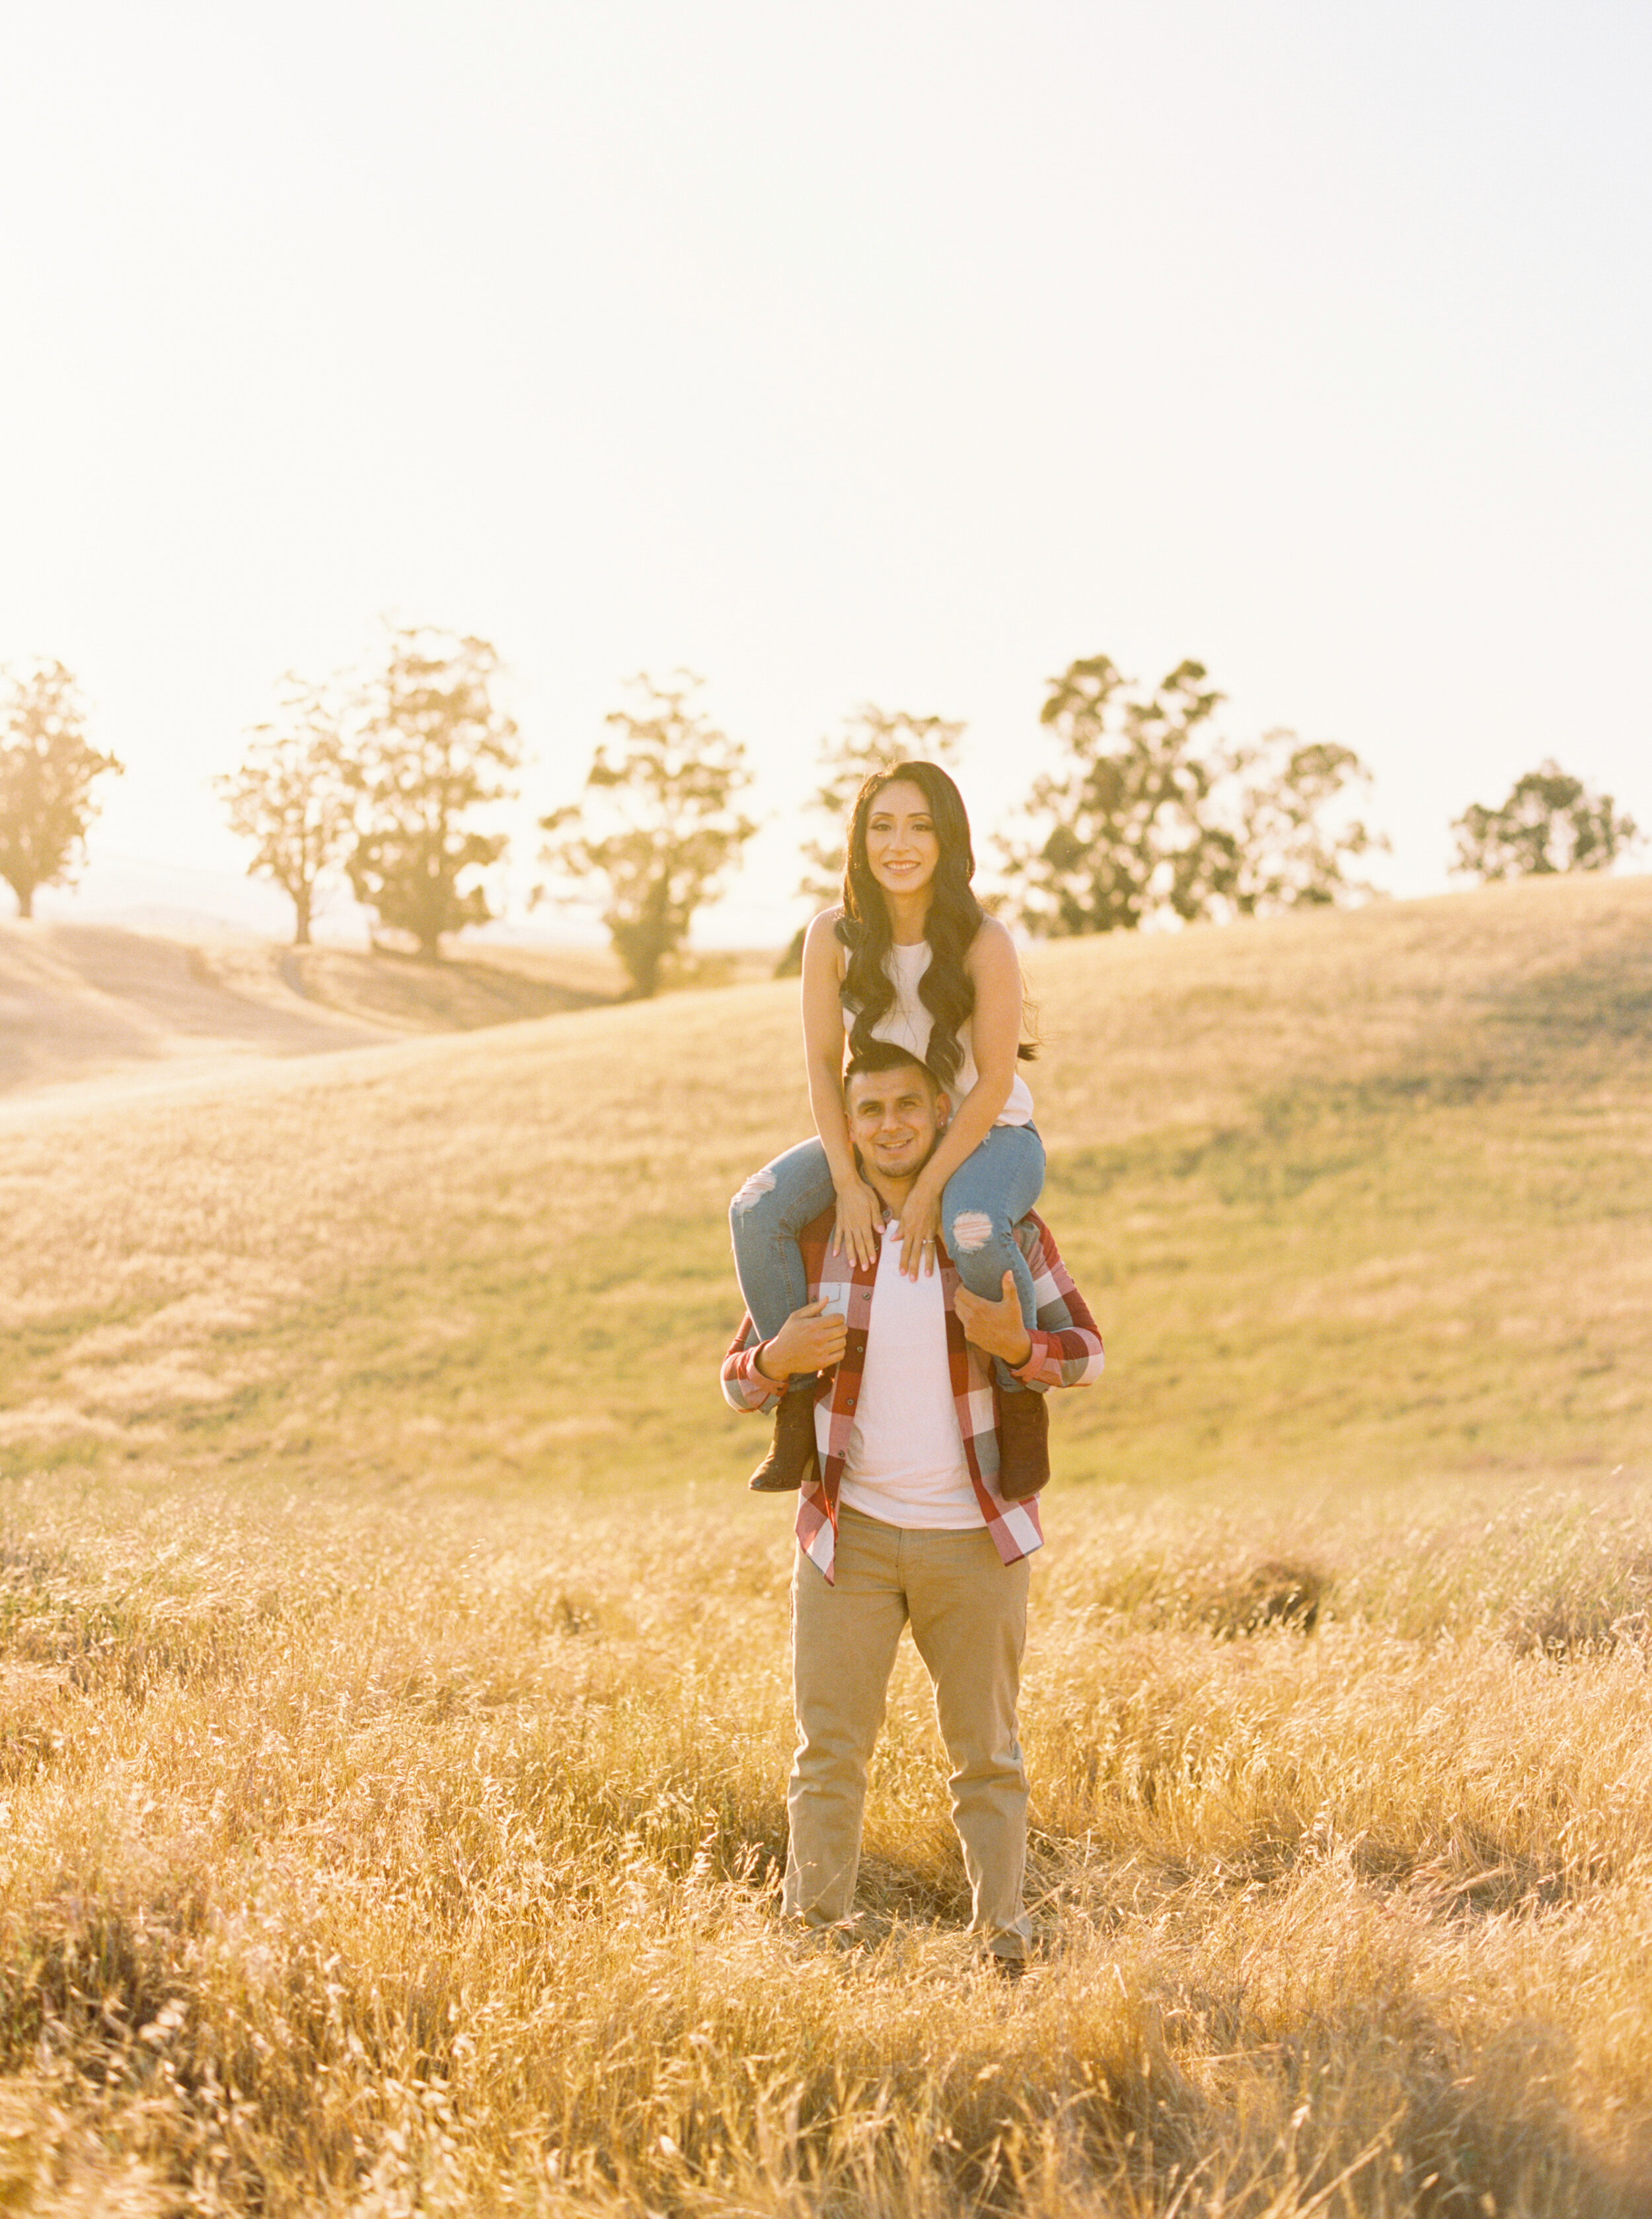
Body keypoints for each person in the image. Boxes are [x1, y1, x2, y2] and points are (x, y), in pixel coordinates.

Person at [721, 1040, 1103, 1966]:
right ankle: (815, 1944)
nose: (890, 1124)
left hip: (974, 1539)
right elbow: (738, 1380)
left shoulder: (1001, 1227)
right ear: (844, 1128)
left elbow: (1085, 1349)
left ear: (944, 1114)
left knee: (988, 1758)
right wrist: (774, 1362)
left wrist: (1020, 1348)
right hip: (848, 1540)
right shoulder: (814, 1238)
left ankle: (1003, 1942)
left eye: (907, 1105)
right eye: (869, 1110)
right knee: (829, 1757)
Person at [730, 761, 1049, 1498]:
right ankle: (797, 1399)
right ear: (859, 841)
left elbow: (994, 1080)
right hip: (880, 1134)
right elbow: (819, 1061)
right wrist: (845, 1180)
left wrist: (931, 1186)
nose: (898, 843)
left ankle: (1018, 1397)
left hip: (988, 1133)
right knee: (755, 1208)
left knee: (971, 1222)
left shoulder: (984, 941)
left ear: (947, 840)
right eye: (881, 826)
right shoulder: (832, 936)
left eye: (918, 826)